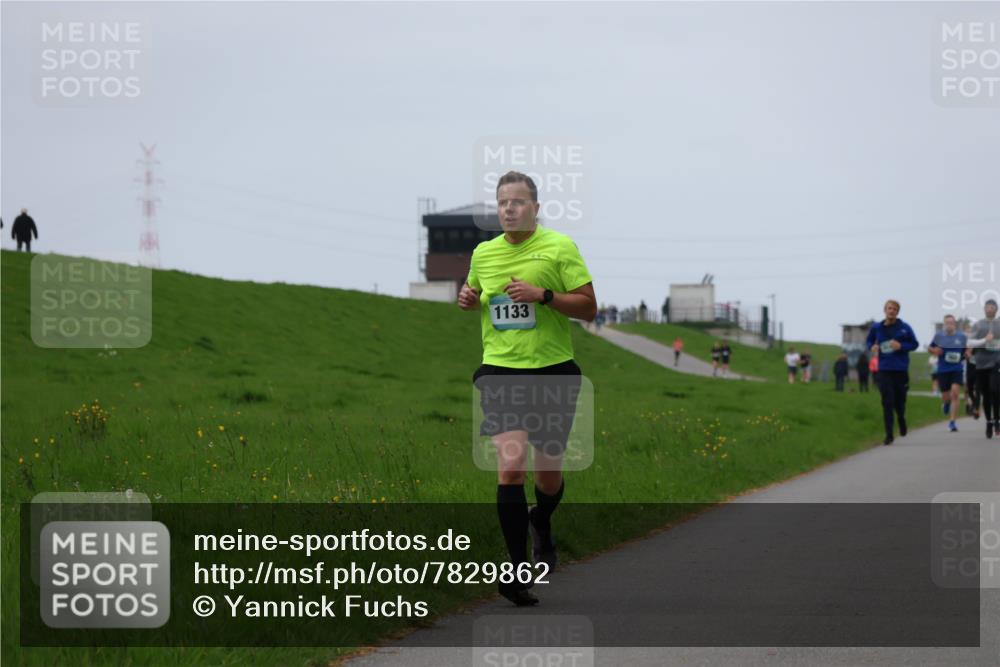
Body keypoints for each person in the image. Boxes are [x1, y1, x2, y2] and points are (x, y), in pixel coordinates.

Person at [458, 171, 597, 606]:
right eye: (502, 203)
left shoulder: (560, 247)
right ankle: (517, 571)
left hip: (554, 371)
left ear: (535, 208)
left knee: (548, 476)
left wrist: (544, 295)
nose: (509, 209)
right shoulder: (484, 253)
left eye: (518, 202)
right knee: (511, 466)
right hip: (501, 372)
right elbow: (478, 293)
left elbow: (590, 307)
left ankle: (543, 522)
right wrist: (467, 298)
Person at [866, 299, 919, 446]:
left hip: (900, 370)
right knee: (887, 402)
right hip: (884, 369)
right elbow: (869, 341)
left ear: (897, 312)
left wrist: (901, 346)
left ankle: (901, 418)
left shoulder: (905, 327)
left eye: (894, 309)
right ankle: (889, 434)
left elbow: (915, 344)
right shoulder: (877, 327)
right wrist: (872, 347)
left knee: (899, 402)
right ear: (885, 310)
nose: (892, 311)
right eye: (889, 308)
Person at [929, 315, 968, 432]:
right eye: (947, 323)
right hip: (943, 370)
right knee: (946, 396)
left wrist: (967, 354)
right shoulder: (939, 336)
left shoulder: (961, 336)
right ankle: (946, 403)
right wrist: (934, 350)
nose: (949, 325)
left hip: (957, 369)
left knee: (955, 393)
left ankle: (952, 422)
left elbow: (966, 349)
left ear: (954, 324)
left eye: (951, 323)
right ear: (944, 324)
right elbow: (930, 348)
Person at [967, 299, 1000, 439]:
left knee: (996, 390)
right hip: (981, 363)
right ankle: (989, 421)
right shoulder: (978, 324)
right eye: (987, 307)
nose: (990, 309)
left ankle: (997, 420)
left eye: (992, 307)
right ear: (984, 309)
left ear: (996, 309)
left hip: (997, 362)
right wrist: (984, 340)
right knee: (986, 394)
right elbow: (969, 342)